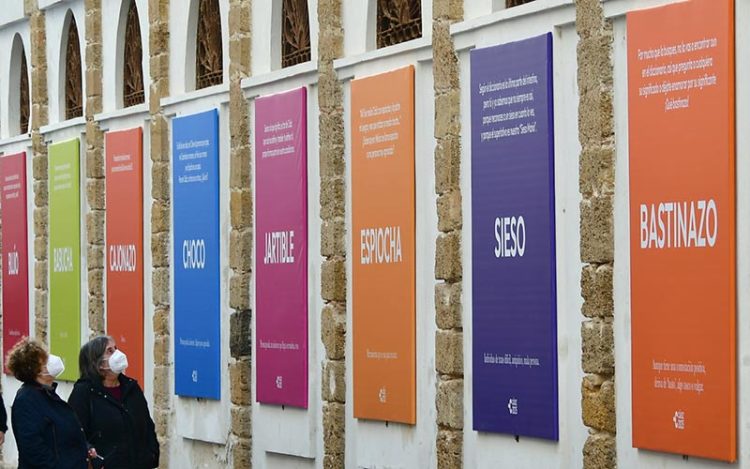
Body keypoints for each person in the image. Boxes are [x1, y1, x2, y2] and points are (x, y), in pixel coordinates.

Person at [68, 335, 159, 469]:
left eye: (116, 349)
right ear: (97, 362)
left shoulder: (131, 388)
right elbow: (75, 434)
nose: (117, 354)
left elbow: (147, 425)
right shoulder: (84, 392)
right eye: (110, 351)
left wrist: (152, 455)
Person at [6, 337, 90, 469]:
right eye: (44, 360)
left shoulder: (48, 394)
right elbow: (32, 447)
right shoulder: (26, 399)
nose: (50, 361)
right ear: (34, 370)